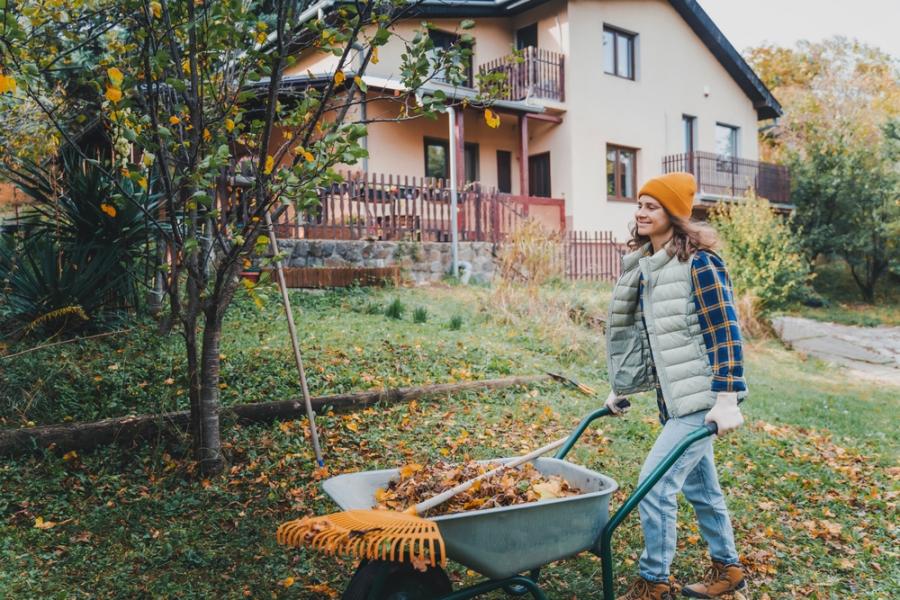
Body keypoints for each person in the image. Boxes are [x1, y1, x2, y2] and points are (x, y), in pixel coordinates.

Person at [603, 172, 748, 600]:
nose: (641, 211)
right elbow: (651, 337)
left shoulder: (699, 263)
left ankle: (654, 581)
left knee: (655, 484)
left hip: (702, 399)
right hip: (678, 399)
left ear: (675, 215)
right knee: (702, 489)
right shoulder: (653, 266)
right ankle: (730, 572)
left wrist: (726, 398)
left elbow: (725, 331)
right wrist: (622, 386)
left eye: (653, 206)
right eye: (640, 204)